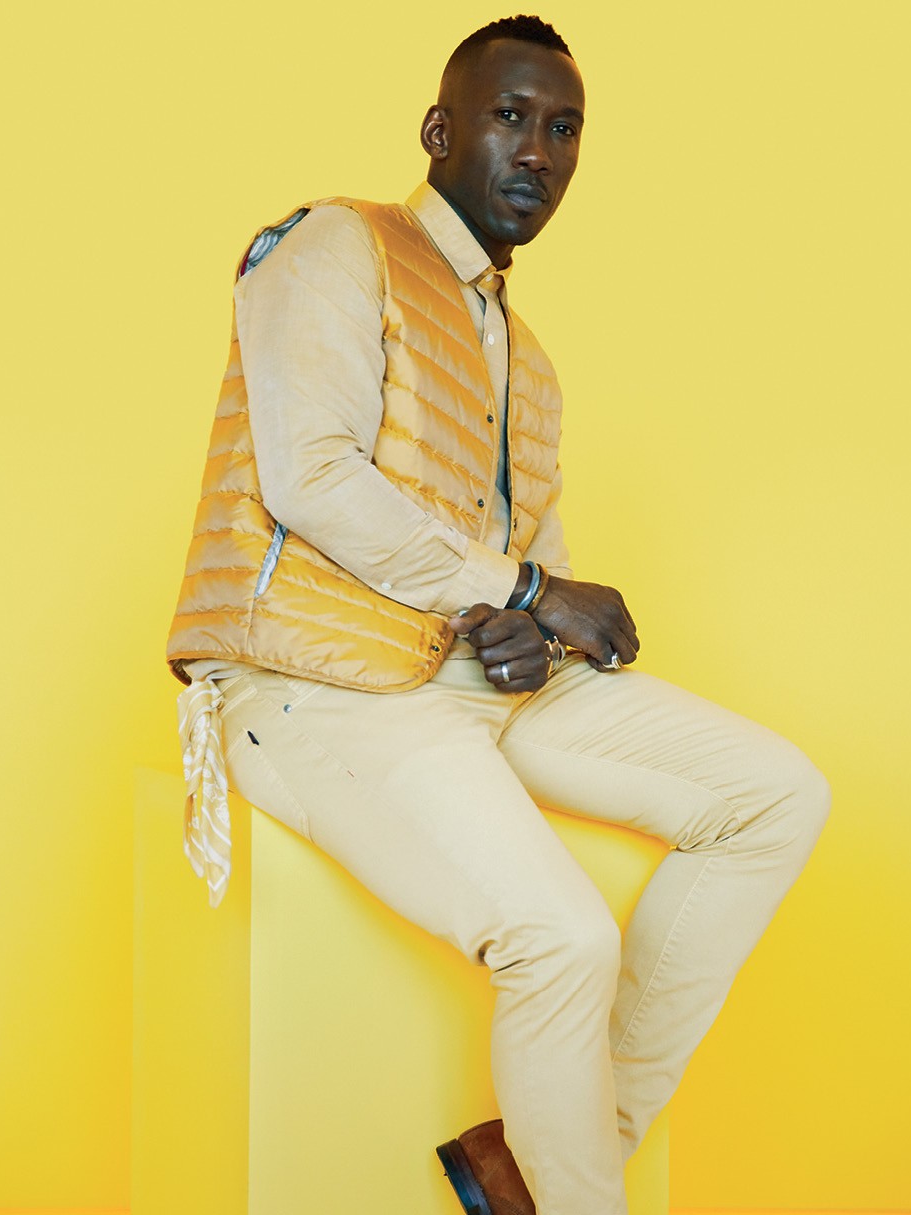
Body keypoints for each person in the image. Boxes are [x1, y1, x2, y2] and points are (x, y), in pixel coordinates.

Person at [168, 15, 831, 1215]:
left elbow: (528, 562)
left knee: (778, 797)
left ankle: (546, 1160)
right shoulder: (334, 243)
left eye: (564, 129)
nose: (538, 150)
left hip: (467, 684)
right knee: (564, 939)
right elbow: (310, 476)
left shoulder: (529, 356)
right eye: (511, 117)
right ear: (440, 130)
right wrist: (521, 592)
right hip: (317, 687)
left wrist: (539, 627)